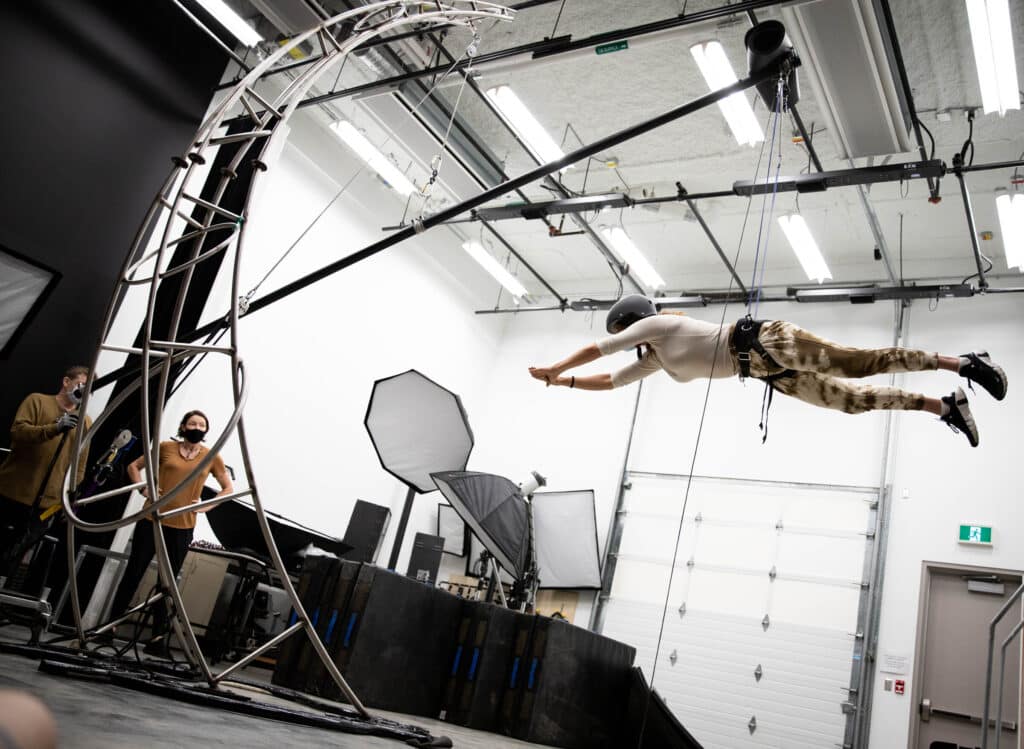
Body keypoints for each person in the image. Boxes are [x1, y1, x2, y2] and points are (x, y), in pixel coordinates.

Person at [528, 295, 1008, 447]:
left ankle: (963, 362)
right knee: (852, 404)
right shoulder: (657, 359)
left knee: (860, 364)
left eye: (626, 334)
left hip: (765, 340)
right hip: (767, 373)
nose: (630, 344)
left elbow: (600, 350)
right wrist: (563, 382)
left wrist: (555, 365)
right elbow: (611, 381)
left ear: (633, 324)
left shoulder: (660, 325)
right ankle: (944, 405)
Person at [108, 410, 233, 640]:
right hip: (152, 521)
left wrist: (205, 506)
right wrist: (144, 489)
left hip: (182, 527)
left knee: (167, 583)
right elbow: (133, 466)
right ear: (183, 427)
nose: (197, 428)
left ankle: (157, 637)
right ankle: (110, 625)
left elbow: (228, 489)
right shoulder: (166, 448)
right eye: (192, 423)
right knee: (133, 573)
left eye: (201, 425)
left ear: (206, 430)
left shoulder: (211, 456)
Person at [0, 366, 92, 583]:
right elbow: (18, 432)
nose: (83, 391)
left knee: (15, 555)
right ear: (66, 382)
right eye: (80, 385)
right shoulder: (38, 401)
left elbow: (79, 465)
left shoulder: (84, 421)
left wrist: (67, 496)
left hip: (45, 504)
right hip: (12, 493)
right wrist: (54, 428)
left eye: (89, 389)